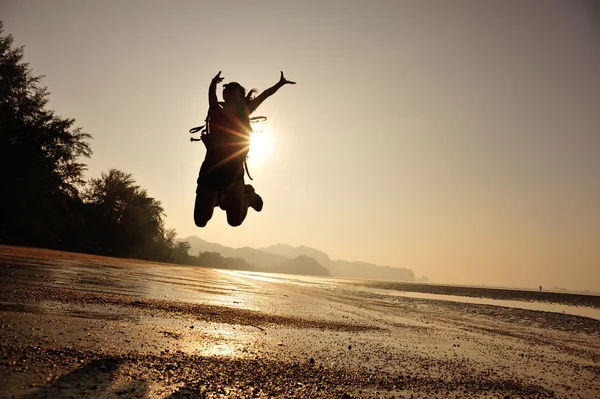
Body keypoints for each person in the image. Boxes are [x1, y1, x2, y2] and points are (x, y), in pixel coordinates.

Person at [194, 71, 295, 227]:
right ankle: (220, 198)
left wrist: (279, 84)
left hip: (232, 170)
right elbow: (211, 94)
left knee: (234, 221)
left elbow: (265, 95)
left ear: (241, 97)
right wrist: (213, 82)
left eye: (232, 90)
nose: (227, 91)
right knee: (200, 221)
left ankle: (247, 196)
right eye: (226, 90)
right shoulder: (215, 109)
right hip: (210, 169)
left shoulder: (245, 109)